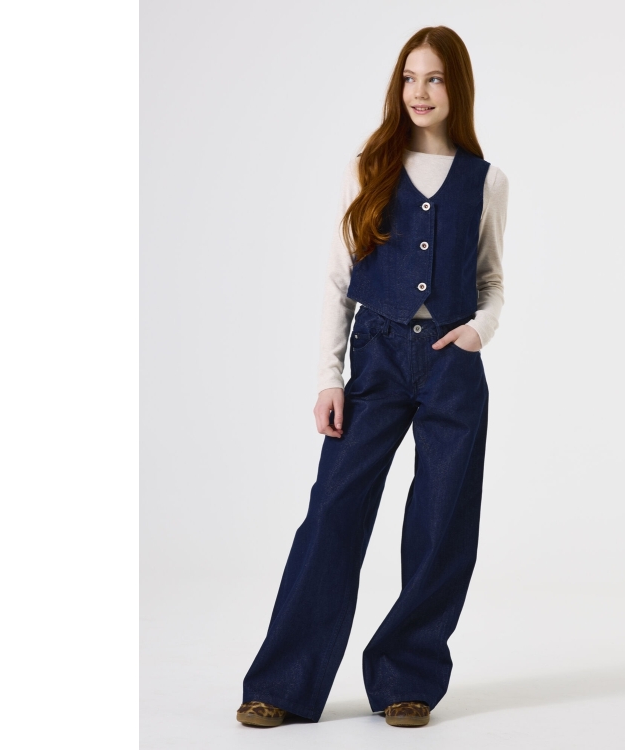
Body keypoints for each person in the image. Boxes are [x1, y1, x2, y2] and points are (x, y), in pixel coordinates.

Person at [236, 25, 509, 729]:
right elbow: (338, 278)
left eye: (435, 78)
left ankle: (406, 679)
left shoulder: (486, 181)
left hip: (452, 364)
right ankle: (283, 685)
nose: (420, 91)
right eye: (410, 78)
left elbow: (491, 280)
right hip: (377, 358)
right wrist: (329, 376)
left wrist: (479, 330)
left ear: (456, 88)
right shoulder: (369, 167)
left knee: (441, 524)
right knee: (333, 512)